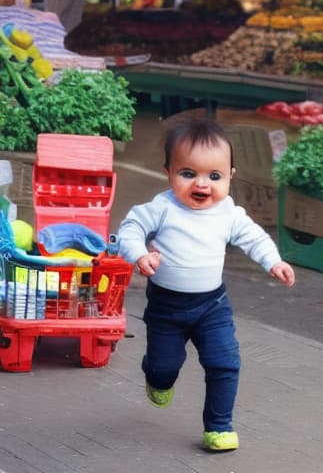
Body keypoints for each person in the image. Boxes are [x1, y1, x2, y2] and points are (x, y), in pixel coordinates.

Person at [118, 117, 296, 452]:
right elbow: (129, 229)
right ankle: (156, 376)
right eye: (188, 174)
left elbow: (253, 236)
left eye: (214, 176)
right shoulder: (162, 208)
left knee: (225, 362)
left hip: (211, 306)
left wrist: (274, 260)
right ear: (168, 172)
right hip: (166, 308)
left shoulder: (228, 212)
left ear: (230, 176)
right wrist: (140, 255)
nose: (202, 185)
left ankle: (218, 427)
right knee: (164, 366)